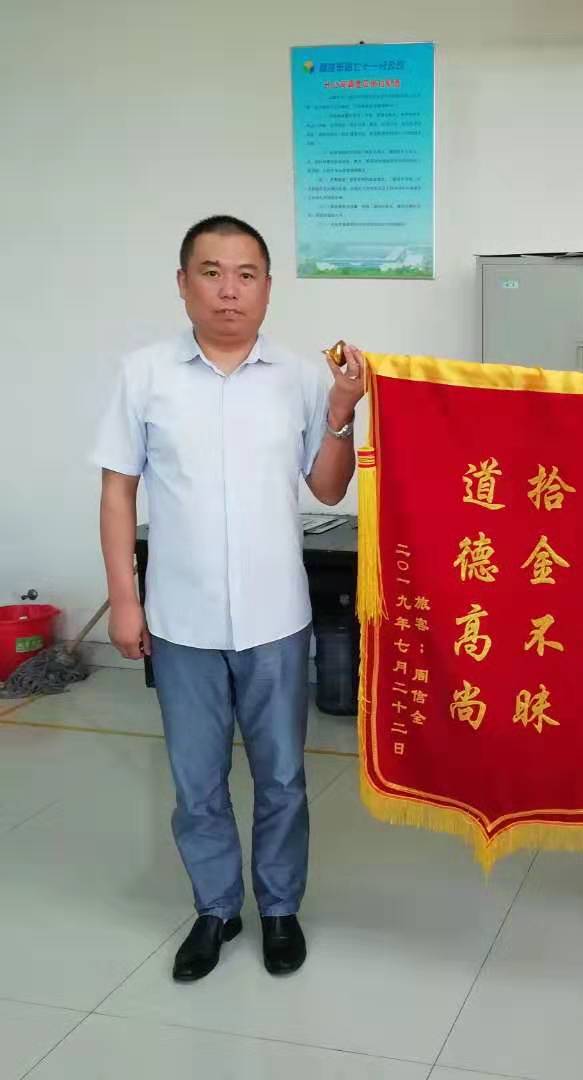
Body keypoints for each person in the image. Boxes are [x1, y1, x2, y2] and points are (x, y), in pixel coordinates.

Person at [94, 215, 367, 982]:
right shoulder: (144, 375)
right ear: (183, 283)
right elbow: (117, 493)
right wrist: (124, 600)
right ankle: (216, 908)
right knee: (196, 782)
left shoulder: (301, 378)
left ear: (268, 288)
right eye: (211, 272)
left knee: (282, 778)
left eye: (246, 275)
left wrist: (341, 412)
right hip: (180, 621)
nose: (228, 290)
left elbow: (328, 487)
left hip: (276, 617)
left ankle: (279, 908)